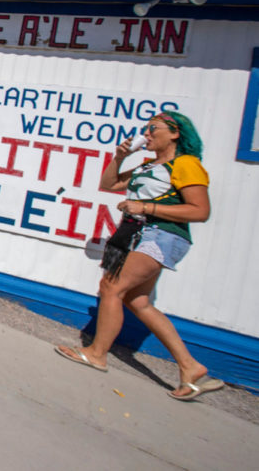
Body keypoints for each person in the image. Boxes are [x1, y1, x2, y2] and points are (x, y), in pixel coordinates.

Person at [55, 111, 223, 401]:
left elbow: (200, 211)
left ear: (175, 133)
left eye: (153, 128)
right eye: (145, 128)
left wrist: (146, 208)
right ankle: (190, 368)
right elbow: (109, 184)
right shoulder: (148, 165)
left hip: (162, 235)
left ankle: (97, 354)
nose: (147, 133)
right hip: (139, 234)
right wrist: (119, 157)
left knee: (111, 287)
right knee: (138, 301)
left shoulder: (186, 164)